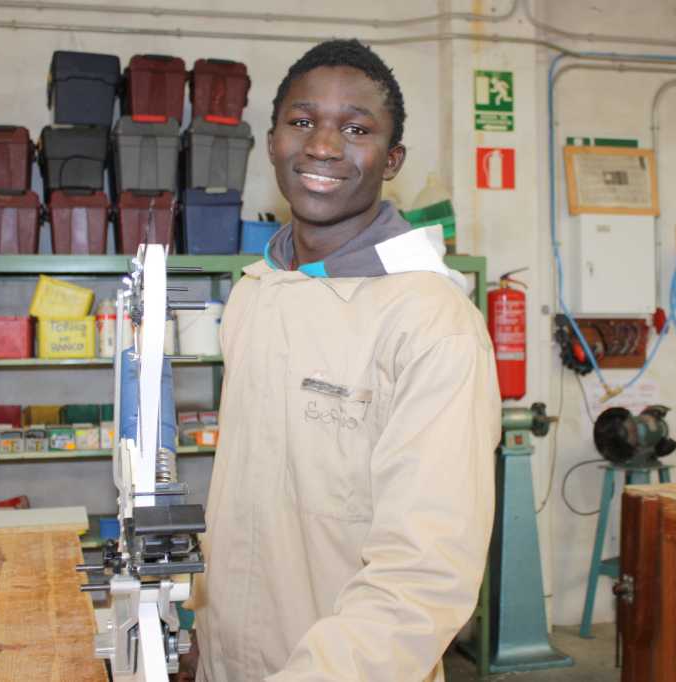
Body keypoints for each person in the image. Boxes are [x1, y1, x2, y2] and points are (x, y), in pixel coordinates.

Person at [187, 39, 501, 682]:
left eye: (356, 129)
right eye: (302, 121)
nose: (324, 146)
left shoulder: (431, 321)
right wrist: (203, 628)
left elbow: (424, 574)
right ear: (272, 141)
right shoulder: (257, 293)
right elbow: (240, 503)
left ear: (392, 158)